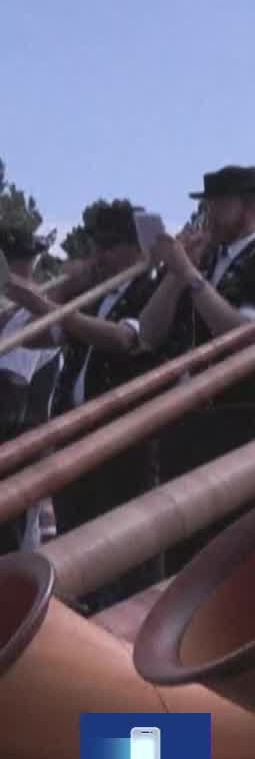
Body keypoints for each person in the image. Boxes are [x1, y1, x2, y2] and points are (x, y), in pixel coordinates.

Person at [137, 165, 255, 573]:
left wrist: (189, 274)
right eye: (206, 205)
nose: (208, 215)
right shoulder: (204, 261)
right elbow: (150, 332)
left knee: (229, 542)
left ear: (254, 208)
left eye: (219, 205)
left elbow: (243, 334)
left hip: (239, 413)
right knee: (179, 544)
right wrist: (176, 275)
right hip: (188, 414)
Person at [4, 203, 162, 605]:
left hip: (121, 444)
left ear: (137, 248)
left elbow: (121, 340)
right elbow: (35, 336)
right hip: (75, 435)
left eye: (109, 246)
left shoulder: (155, 291)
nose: (98, 256)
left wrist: (42, 301)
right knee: (75, 545)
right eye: (95, 246)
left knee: (115, 557)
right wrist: (57, 292)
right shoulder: (97, 295)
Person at [0, 224, 68, 554]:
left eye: (24, 260)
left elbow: (11, 387)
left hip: (16, 449)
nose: (24, 268)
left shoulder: (33, 315)